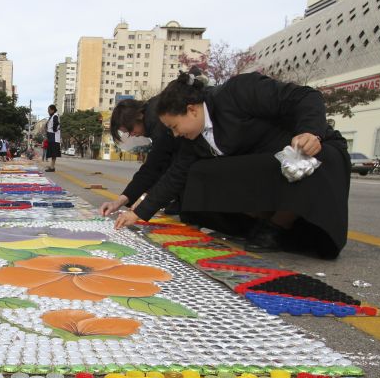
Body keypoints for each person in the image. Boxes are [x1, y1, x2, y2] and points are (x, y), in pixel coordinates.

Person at [114, 70, 350, 258]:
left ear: (192, 110)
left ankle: (278, 225)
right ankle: (253, 222)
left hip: (307, 150)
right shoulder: (192, 140)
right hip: (263, 166)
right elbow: (174, 176)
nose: (175, 135)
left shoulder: (238, 92)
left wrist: (310, 133)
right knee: (198, 173)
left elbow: (305, 96)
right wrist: (138, 213)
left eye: (175, 127)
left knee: (313, 163)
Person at [99, 94, 185, 218]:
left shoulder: (158, 122)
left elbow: (155, 167)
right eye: (127, 133)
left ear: (138, 116)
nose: (132, 134)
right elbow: (153, 167)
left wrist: (144, 202)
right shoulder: (151, 114)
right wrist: (118, 202)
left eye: (130, 129)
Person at [44, 104, 61, 172]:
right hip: (51, 136)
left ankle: (52, 167)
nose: (48, 112)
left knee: (53, 153)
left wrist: (53, 130)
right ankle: (52, 166)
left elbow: (56, 125)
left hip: (54, 137)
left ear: (53, 110)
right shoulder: (52, 116)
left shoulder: (55, 116)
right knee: (52, 152)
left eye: (49, 110)